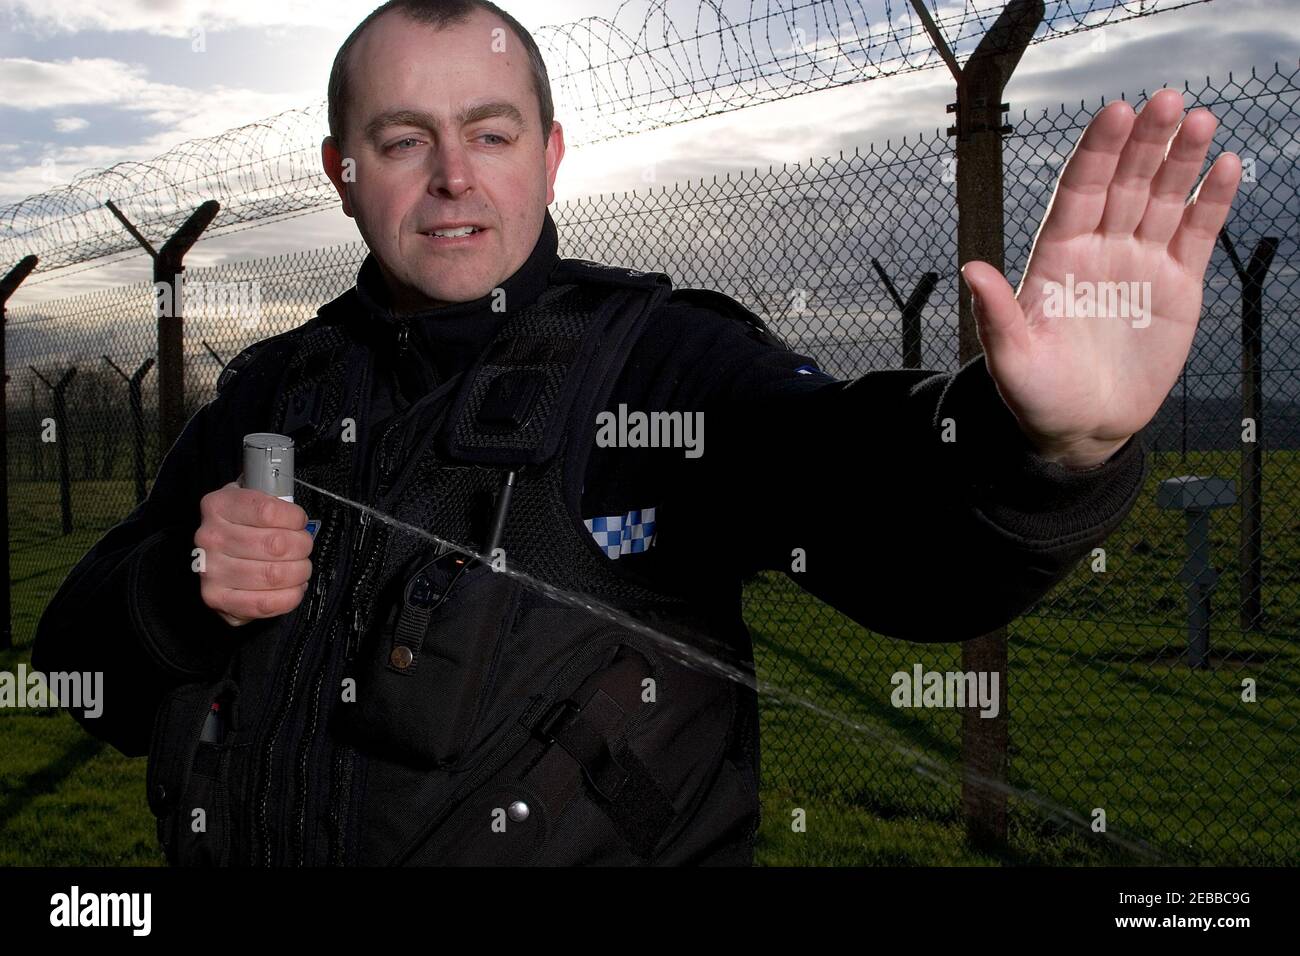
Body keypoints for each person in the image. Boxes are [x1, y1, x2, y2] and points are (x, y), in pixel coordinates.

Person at [31, 0, 1240, 866]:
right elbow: (78, 670)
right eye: (404, 140)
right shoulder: (265, 390)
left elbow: (864, 500)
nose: (454, 175)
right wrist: (182, 593)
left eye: (492, 133)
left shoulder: (655, 361)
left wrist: (1031, 445)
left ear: (550, 157)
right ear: (344, 170)